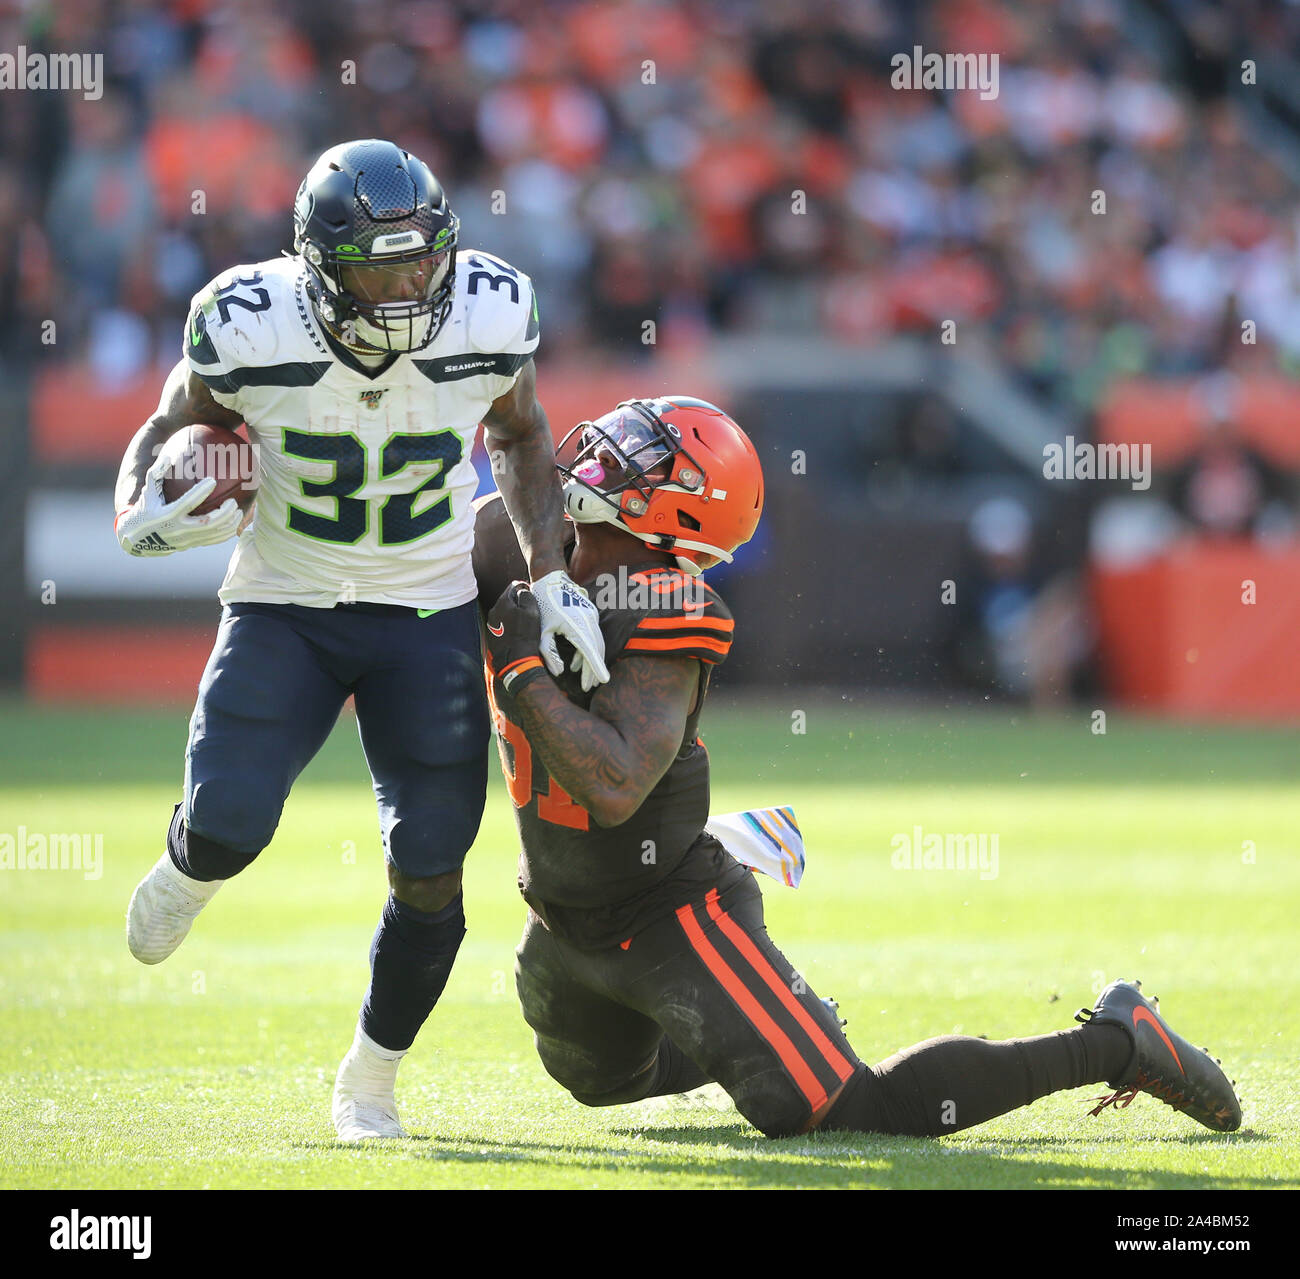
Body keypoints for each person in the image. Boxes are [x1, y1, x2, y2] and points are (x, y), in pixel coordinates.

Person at [473, 395, 1241, 1139]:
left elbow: (613, 786)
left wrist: (521, 671)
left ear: (681, 506)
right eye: (618, 437)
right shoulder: (527, 546)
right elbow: (510, 451)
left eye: (640, 454)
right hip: (563, 911)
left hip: (667, 911)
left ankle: (1117, 1041)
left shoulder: (665, 600)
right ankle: (787, 1027)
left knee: (846, 1110)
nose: (605, 454)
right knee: (602, 1079)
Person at [113, 139, 609, 1141]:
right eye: (381, 265)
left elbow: (517, 432)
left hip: (424, 612)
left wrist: (550, 575)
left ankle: (370, 1078)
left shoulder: (488, 309)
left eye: (422, 259)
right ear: (320, 266)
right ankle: (186, 869)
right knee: (227, 824)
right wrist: (137, 506)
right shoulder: (248, 321)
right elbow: (170, 425)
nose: (409, 284)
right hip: (285, 601)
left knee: (432, 866)